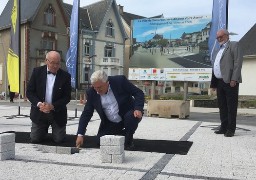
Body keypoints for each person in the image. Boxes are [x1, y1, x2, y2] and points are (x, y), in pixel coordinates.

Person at [76, 70, 144, 149]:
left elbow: (138, 93)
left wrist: (138, 108)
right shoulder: (91, 93)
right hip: (110, 122)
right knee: (100, 141)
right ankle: (121, 136)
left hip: (127, 114)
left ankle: (128, 141)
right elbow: (86, 114)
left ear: (107, 83)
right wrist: (80, 134)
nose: (97, 90)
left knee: (131, 118)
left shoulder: (120, 81)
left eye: (100, 87)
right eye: (95, 87)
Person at [26, 51, 71, 143]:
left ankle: (53, 130)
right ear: (46, 61)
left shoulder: (65, 76)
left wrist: (53, 106)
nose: (55, 66)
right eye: (52, 63)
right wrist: (39, 104)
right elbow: (30, 92)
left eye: (58, 63)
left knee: (59, 139)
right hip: (39, 111)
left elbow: (67, 97)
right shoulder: (37, 72)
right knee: (35, 139)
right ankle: (42, 129)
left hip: (57, 112)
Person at [210, 29, 243, 137]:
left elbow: (238, 62)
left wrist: (234, 79)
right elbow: (215, 66)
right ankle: (223, 127)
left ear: (227, 36)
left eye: (221, 36)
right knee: (222, 106)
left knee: (231, 107)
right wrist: (214, 84)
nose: (219, 39)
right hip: (220, 82)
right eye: (217, 37)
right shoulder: (218, 49)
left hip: (230, 81)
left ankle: (231, 129)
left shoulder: (234, 45)